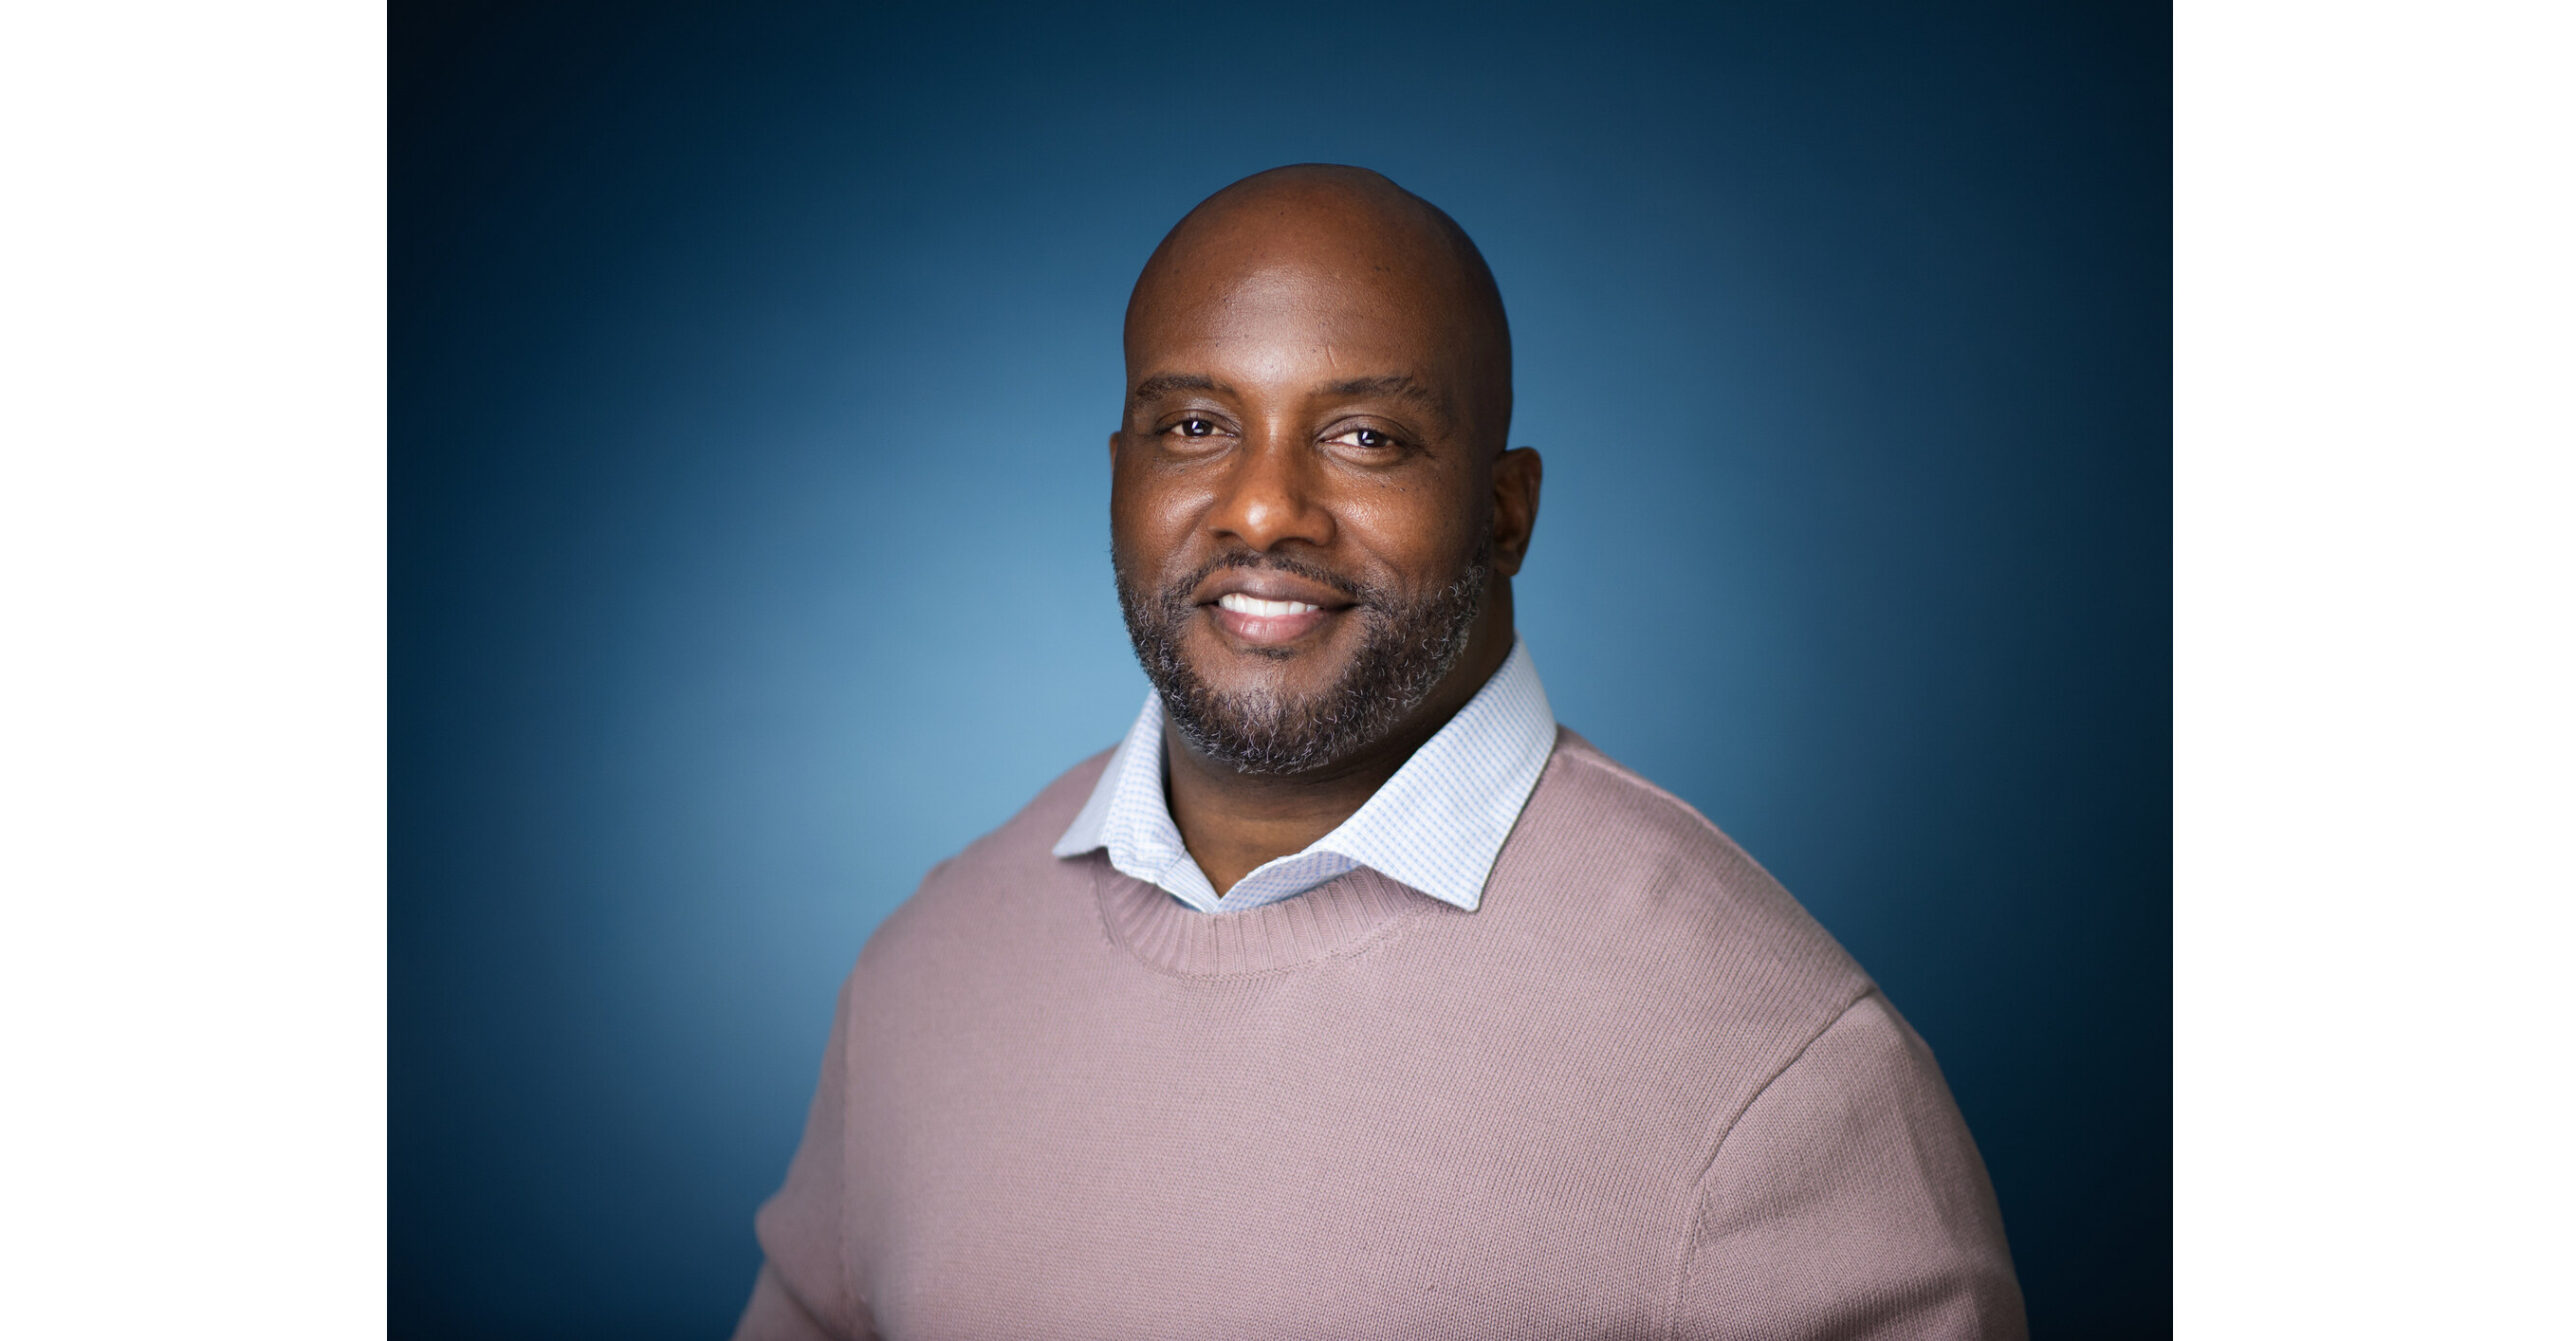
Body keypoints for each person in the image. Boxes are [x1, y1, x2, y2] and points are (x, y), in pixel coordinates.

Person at [733, 164, 2027, 1340]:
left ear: (1506, 512)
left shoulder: (1779, 1074)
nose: (1261, 507)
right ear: (1118, 474)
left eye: (1365, 437)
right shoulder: (928, 971)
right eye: (1195, 426)